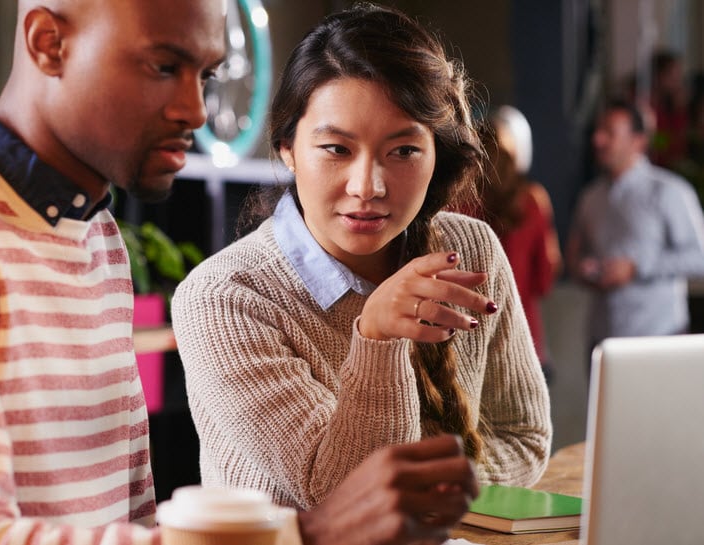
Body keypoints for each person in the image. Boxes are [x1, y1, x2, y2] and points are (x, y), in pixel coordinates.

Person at [0, 2, 480, 545]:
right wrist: (301, 534)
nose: (195, 110)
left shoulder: (91, 229)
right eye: (164, 67)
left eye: (204, 74)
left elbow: (131, 510)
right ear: (48, 43)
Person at [171, 1, 552, 520]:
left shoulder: (470, 249)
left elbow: (524, 438)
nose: (367, 187)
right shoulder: (224, 299)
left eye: (403, 152)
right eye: (335, 149)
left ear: (436, 151)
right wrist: (376, 337)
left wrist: (426, 494)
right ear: (287, 148)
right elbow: (340, 500)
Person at [567, 98, 704, 351]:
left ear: (638, 141)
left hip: (658, 337)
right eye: (598, 131)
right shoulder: (590, 197)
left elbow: (699, 257)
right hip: (602, 339)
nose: (598, 140)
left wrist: (635, 268)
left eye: (609, 132)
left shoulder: (669, 192)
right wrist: (581, 268)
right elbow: (576, 256)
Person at [475, 106, 562, 383]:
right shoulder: (533, 201)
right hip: (523, 340)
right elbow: (544, 282)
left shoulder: (455, 204)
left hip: (471, 346)